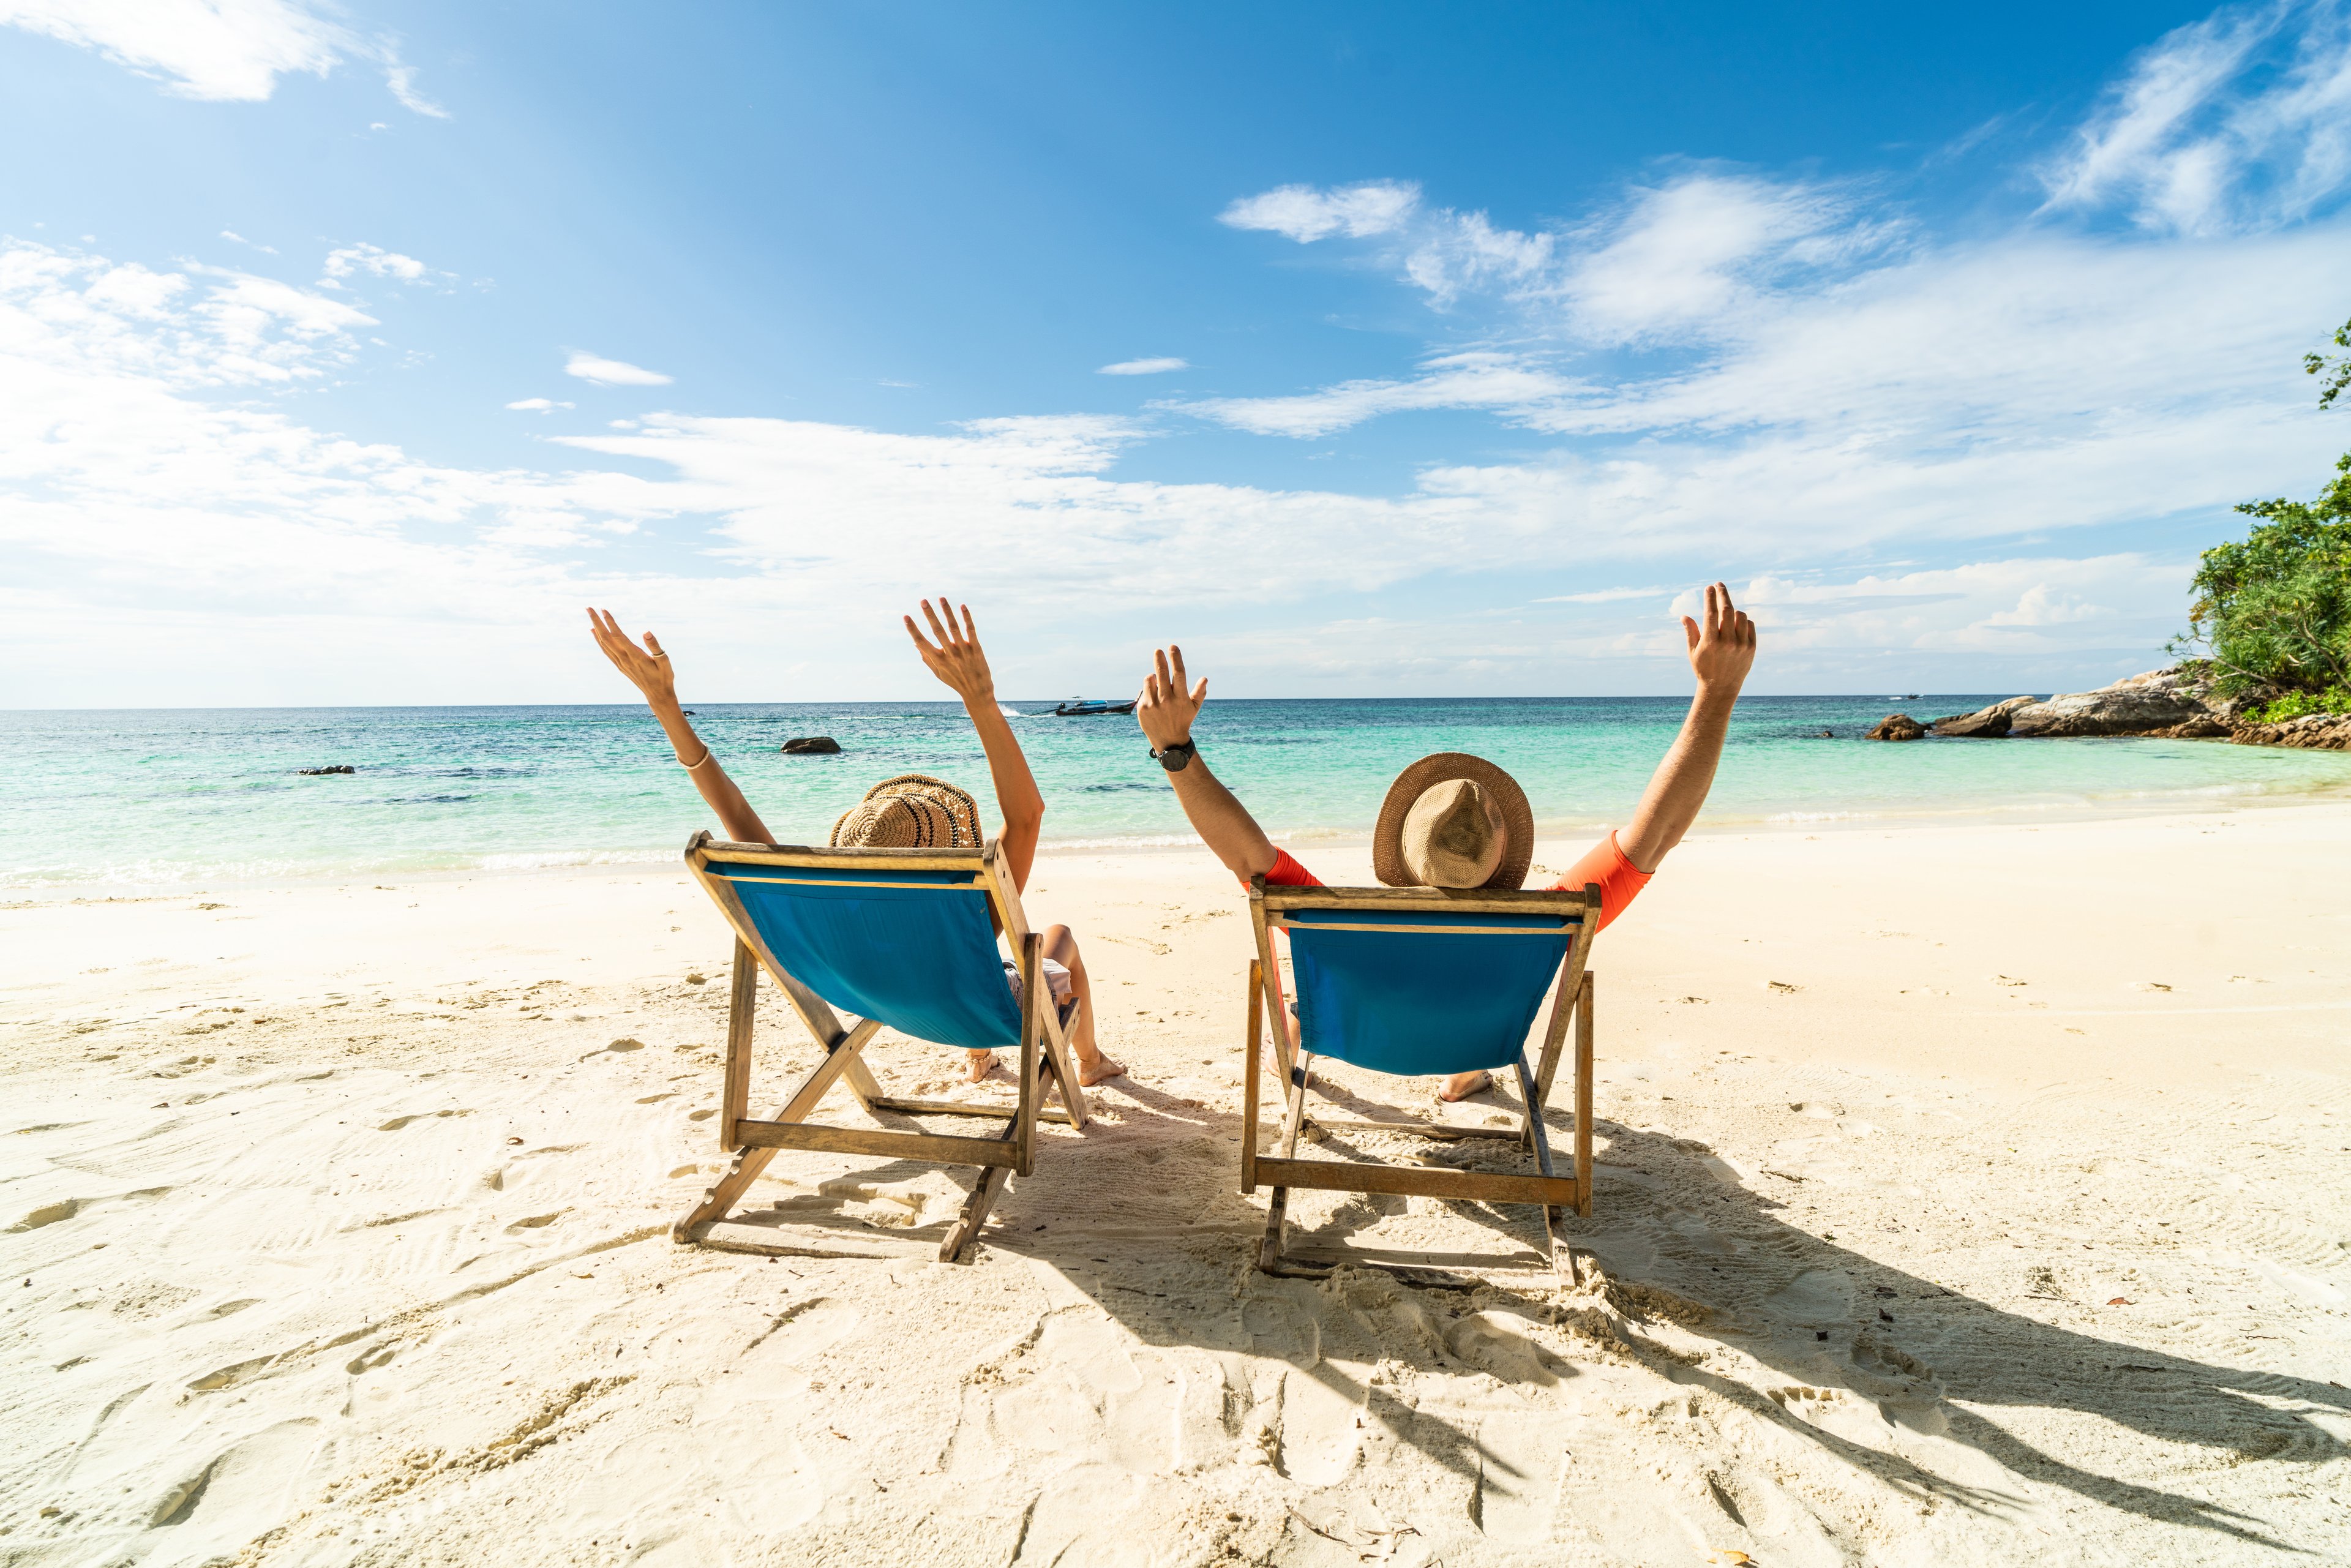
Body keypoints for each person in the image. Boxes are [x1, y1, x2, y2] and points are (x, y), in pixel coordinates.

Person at [1133, 581, 1759, 1101]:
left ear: (1405, 847)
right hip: (1481, 1031)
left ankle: (1303, 1032)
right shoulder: (1546, 924)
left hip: (1361, 1038)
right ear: (1500, 852)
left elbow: (1243, 852)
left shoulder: (1332, 918)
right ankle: (1466, 1067)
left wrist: (1177, 752)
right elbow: (1657, 833)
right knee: (1471, 998)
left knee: (1305, 996)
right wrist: (1717, 694)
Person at [588, 599, 1124, 1087]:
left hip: (873, 997)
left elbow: (731, 809)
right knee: (1054, 939)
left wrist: (664, 706)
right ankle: (1091, 1060)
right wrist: (981, 701)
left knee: (970, 966)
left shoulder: (816, 897)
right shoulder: (966, 907)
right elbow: (1026, 816)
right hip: (972, 1005)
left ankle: (979, 1059)